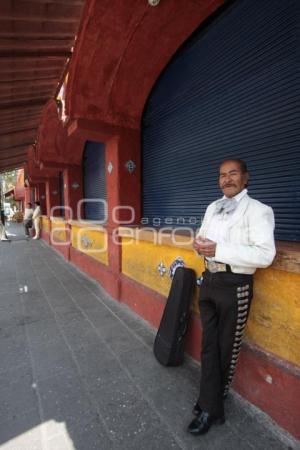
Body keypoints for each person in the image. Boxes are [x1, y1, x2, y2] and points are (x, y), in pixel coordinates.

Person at [188, 158, 276, 436]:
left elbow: (265, 254)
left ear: (246, 178)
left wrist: (219, 250)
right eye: (222, 175)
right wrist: (198, 246)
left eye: (233, 174)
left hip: (234, 285)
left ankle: (210, 409)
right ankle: (209, 400)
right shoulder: (213, 207)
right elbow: (204, 240)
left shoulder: (259, 211)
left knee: (226, 348)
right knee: (208, 347)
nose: (227, 179)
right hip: (210, 281)